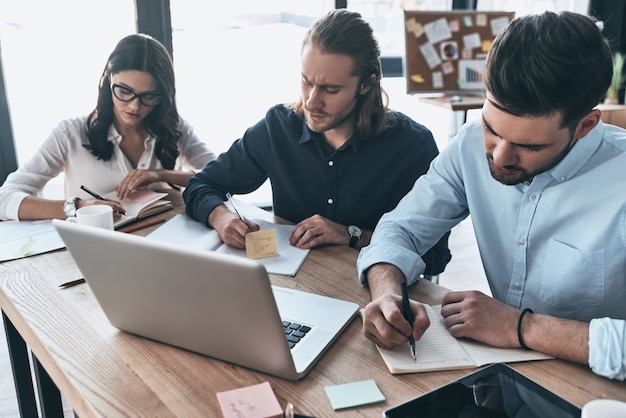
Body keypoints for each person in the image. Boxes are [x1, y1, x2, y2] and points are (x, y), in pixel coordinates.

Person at [357, 11, 626, 381]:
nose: (499, 156)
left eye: (528, 146)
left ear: (585, 125)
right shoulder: (468, 145)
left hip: (595, 393)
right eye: (491, 128)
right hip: (499, 376)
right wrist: (385, 292)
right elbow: (400, 228)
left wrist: (522, 328)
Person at [183, 9, 450, 275]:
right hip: (292, 288)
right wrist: (221, 217)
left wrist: (352, 235)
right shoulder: (278, 128)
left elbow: (435, 257)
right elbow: (201, 185)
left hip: (372, 296)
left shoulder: (412, 147)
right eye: (306, 81)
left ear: (366, 85)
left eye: (330, 89)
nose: (312, 101)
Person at [0, 33, 216, 221]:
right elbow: (5, 198)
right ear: (108, 80)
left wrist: (160, 174)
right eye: (124, 91)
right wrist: (78, 207)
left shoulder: (173, 128)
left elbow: (220, 174)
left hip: (161, 238)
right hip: (92, 248)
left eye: (149, 96)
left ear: (163, 95)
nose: (134, 106)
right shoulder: (71, 134)